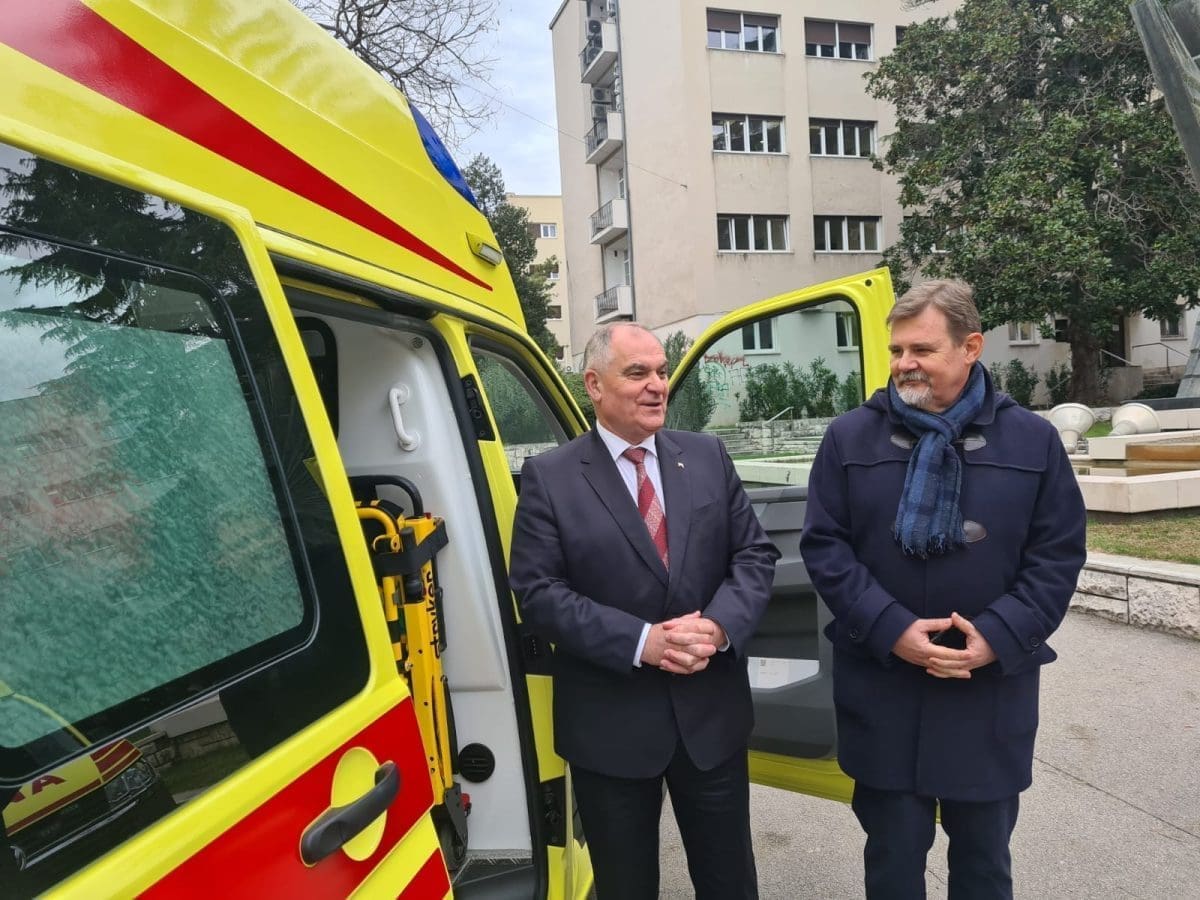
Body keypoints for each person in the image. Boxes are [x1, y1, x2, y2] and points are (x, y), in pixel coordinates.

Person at [800, 280, 1086, 900]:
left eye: (922, 350)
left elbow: (1057, 555)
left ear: (971, 347)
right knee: (892, 866)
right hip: (885, 689)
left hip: (987, 694)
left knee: (985, 867)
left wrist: (998, 636)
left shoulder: (1032, 440)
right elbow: (825, 547)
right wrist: (891, 629)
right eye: (897, 350)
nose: (904, 363)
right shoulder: (849, 437)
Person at [509, 322, 779, 900]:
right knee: (626, 887)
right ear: (594, 385)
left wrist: (718, 627)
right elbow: (537, 592)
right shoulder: (550, 477)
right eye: (637, 373)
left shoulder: (706, 456)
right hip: (611, 729)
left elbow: (755, 555)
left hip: (710, 721)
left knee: (731, 882)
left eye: (661, 371)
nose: (657, 385)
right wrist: (641, 642)